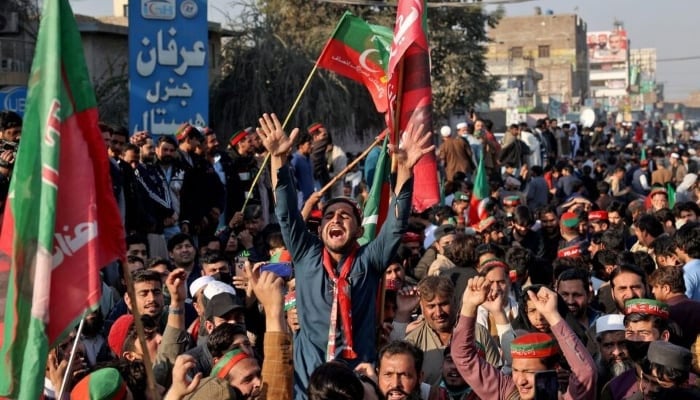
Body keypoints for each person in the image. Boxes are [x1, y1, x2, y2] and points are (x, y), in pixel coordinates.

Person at [257, 113, 433, 399]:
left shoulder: (370, 259)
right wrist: (279, 160)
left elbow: (396, 225)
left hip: (356, 379)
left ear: (358, 227)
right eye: (329, 216)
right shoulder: (306, 253)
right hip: (307, 380)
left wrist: (405, 172)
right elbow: (287, 214)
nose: (335, 220)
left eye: (344, 215)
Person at [452, 277, 596, 400]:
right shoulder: (507, 391)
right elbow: (463, 357)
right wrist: (469, 306)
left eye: (529, 372)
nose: (520, 381)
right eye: (516, 370)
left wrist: (552, 315)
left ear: (553, 370)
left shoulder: (569, 396)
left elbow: (586, 373)